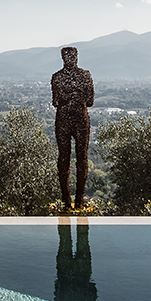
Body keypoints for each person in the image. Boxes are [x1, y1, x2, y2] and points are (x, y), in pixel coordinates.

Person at [50, 45, 94, 209]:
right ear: (76, 57)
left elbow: (55, 102)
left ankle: (67, 202)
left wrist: (65, 98)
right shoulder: (85, 76)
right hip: (81, 119)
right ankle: (79, 201)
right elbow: (90, 101)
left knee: (64, 158)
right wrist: (76, 96)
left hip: (62, 120)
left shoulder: (56, 78)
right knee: (81, 158)